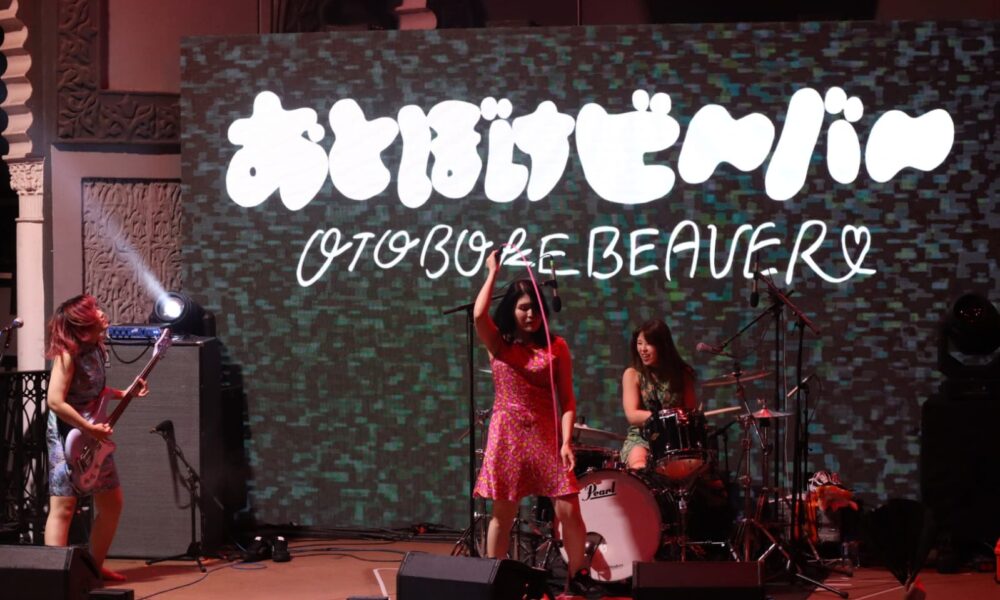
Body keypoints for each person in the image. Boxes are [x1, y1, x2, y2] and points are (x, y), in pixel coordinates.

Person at [473, 250, 594, 595]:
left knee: (569, 509)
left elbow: (567, 400)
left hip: (545, 435)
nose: (530, 314)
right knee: (503, 513)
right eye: (523, 307)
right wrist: (492, 272)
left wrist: (566, 441)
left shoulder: (557, 348)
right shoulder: (499, 344)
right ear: (511, 310)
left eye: (534, 308)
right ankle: (491, 581)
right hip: (507, 435)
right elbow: (480, 314)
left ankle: (577, 578)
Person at [44, 294, 148, 582]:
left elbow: (93, 390)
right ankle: (54, 580)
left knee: (112, 503)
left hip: (94, 432)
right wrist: (90, 430)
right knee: (64, 507)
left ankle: (91, 567)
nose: (102, 313)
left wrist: (123, 394)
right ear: (82, 323)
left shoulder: (97, 348)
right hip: (68, 434)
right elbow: (55, 401)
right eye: (95, 311)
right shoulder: (69, 354)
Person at [620, 318, 696, 470]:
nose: (643, 349)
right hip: (642, 438)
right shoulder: (633, 374)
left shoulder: (682, 374)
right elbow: (632, 415)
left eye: (648, 344)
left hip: (676, 440)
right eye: (639, 343)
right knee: (639, 467)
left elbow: (691, 412)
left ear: (662, 346)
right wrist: (668, 417)